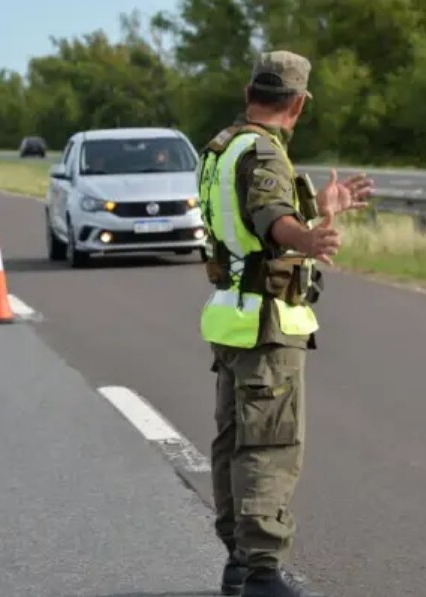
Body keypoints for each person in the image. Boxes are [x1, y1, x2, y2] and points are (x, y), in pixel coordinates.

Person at [195, 51, 373, 597]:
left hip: (232, 319)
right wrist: (308, 236)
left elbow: (250, 222)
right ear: (297, 105)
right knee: (269, 446)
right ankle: (262, 573)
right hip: (268, 326)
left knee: (233, 443)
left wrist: (320, 210)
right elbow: (272, 219)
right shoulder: (267, 154)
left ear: (251, 92)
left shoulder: (224, 147)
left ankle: (237, 562)